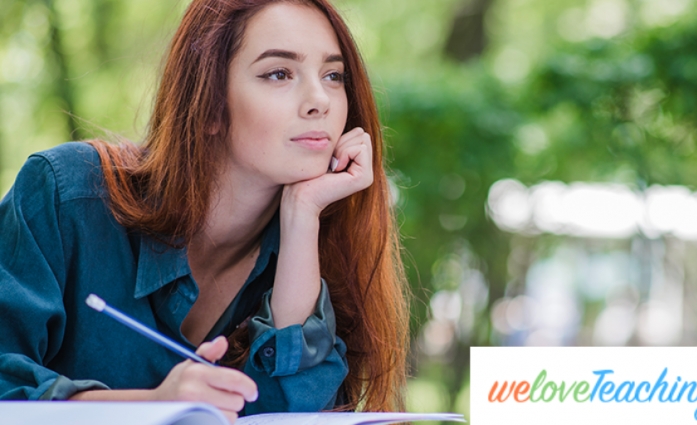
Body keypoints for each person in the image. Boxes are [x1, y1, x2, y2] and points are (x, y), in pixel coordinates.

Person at [0, 0, 409, 422]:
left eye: (333, 75)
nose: (320, 100)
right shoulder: (64, 195)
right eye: (279, 73)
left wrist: (302, 216)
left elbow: (298, 412)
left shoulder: (321, 247)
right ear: (209, 104)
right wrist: (150, 408)